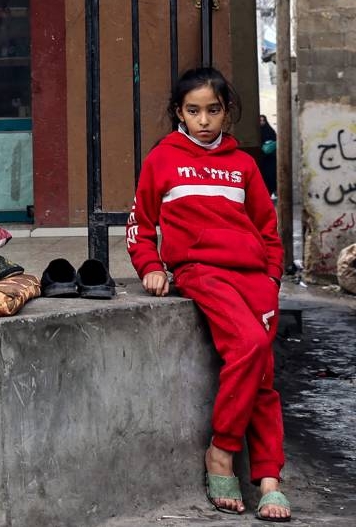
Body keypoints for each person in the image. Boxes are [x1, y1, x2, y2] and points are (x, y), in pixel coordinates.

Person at [125, 68, 291, 522]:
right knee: (250, 346)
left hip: (254, 279)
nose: (204, 121)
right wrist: (151, 266)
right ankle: (222, 450)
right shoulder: (163, 159)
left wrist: (272, 278)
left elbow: (267, 229)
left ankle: (270, 479)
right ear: (179, 112)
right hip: (202, 272)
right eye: (193, 111)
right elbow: (141, 223)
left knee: (263, 374)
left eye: (213, 110)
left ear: (226, 112)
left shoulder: (244, 165)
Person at [259, 114, 277, 197]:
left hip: (271, 158)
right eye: (260, 120)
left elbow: (275, 140)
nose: (262, 122)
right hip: (263, 159)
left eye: (263, 120)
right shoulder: (257, 132)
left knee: (271, 176)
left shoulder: (270, 130)